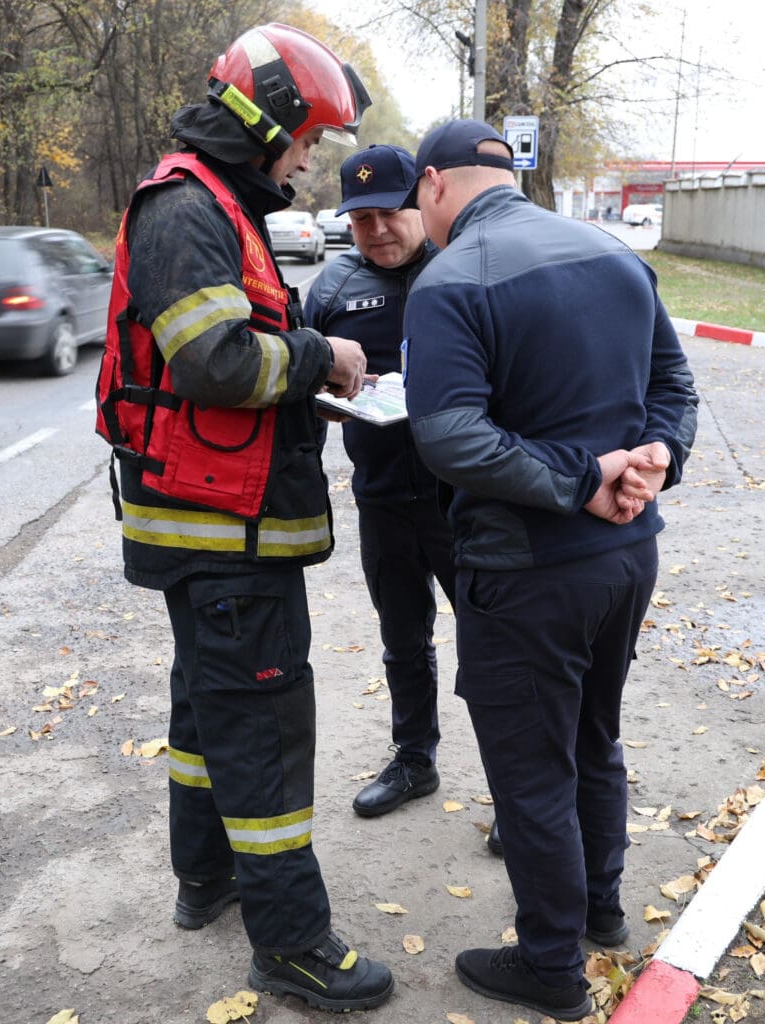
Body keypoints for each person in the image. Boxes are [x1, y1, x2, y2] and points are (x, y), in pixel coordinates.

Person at [94, 23, 394, 1012]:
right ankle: (293, 945)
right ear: (266, 123)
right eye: (307, 139)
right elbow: (215, 363)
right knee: (263, 729)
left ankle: (206, 877)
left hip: (210, 526)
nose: (309, 161)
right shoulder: (190, 207)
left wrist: (306, 364)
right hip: (222, 532)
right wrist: (322, 359)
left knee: (207, 715)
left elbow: (233, 344)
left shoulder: (213, 201)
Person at [400, 119, 699, 1021]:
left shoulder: (449, 278)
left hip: (526, 572)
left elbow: (450, 437)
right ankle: (600, 909)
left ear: (432, 185)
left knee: (532, 773)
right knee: (592, 739)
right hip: (624, 559)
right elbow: (674, 389)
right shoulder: (613, 255)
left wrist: (583, 479)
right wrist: (655, 462)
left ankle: (550, 965)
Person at [303, 144, 458, 820]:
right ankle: (414, 759)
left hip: (467, 498)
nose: (378, 230)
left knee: (498, 644)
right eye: (361, 219)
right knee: (403, 638)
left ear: (420, 202)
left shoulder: (461, 269)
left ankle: (521, 787)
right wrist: (322, 405)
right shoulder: (332, 289)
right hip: (384, 498)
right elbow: (301, 386)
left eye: (390, 212)